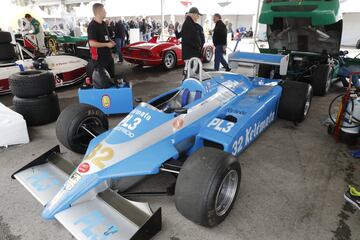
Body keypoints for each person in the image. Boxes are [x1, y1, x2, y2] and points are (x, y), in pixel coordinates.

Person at [87, 3, 115, 77]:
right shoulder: (92, 26)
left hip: (108, 57)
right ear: (99, 12)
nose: (106, 12)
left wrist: (110, 40)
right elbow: (92, 43)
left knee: (111, 77)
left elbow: (105, 37)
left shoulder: (103, 23)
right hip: (99, 59)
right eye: (104, 10)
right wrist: (107, 44)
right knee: (103, 81)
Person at [180, 7, 203, 71]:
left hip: (191, 54)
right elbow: (189, 39)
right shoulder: (189, 24)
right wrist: (197, 46)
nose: (198, 17)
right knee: (190, 74)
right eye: (198, 15)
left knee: (191, 73)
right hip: (190, 54)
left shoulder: (190, 23)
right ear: (194, 14)